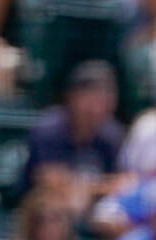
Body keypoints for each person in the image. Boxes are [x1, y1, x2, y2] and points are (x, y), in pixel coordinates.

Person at [22, 60, 126, 214]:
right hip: (42, 213)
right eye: (92, 97)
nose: (98, 107)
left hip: (93, 213)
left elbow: (122, 182)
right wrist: (100, 187)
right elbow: (52, 183)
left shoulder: (111, 133)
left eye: (105, 97)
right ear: (72, 97)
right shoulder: (49, 129)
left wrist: (84, 187)